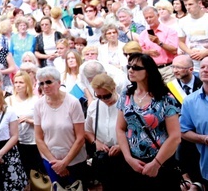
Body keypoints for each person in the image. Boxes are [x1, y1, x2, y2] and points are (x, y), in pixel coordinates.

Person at [116, 53, 181, 189]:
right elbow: (120, 128)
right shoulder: (126, 94)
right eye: (129, 66)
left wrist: (156, 163)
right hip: (133, 161)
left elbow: (175, 137)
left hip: (161, 162)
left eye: (136, 67)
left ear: (148, 71)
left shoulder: (165, 97)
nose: (130, 70)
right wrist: (128, 158)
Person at [34, 66, 87, 185]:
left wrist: (64, 163)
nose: (45, 86)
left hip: (75, 161)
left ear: (58, 83)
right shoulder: (38, 105)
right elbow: (38, 138)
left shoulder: (73, 102)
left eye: (48, 82)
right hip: (51, 162)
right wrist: (55, 163)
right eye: (41, 83)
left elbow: (80, 137)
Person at [84, 73, 125, 190]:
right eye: (99, 96)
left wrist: (121, 146)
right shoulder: (94, 106)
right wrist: (96, 142)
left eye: (106, 96)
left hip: (125, 154)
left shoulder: (125, 104)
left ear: (113, 88)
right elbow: (87, 131)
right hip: (104, 156)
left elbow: (134, 131)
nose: (103, 99)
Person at [179, 57, 208, 190]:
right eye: (202, 67)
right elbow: (183, 131)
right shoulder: (190, 101)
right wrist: (204, 139)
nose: (205, 70)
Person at [7, 71, 42, 178]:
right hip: (16, 142)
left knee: (36, 174)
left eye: (21, 82)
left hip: (33, 142)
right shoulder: (8, 101)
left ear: (27, 84)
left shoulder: (35, 100)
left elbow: (43, 122)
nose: (17, 85)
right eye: (16, 82)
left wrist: (29, 120)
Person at [138, 5, 179, 83]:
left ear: (158, 15)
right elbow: (139, 51)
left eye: (151, 17)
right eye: (146, 18)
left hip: (168, 69)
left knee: (172, 93)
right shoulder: (143, 34)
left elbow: (174, 50)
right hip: (151, 70)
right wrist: (147, 52)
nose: (149, 19)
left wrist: (159, 42)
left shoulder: (169, 31)